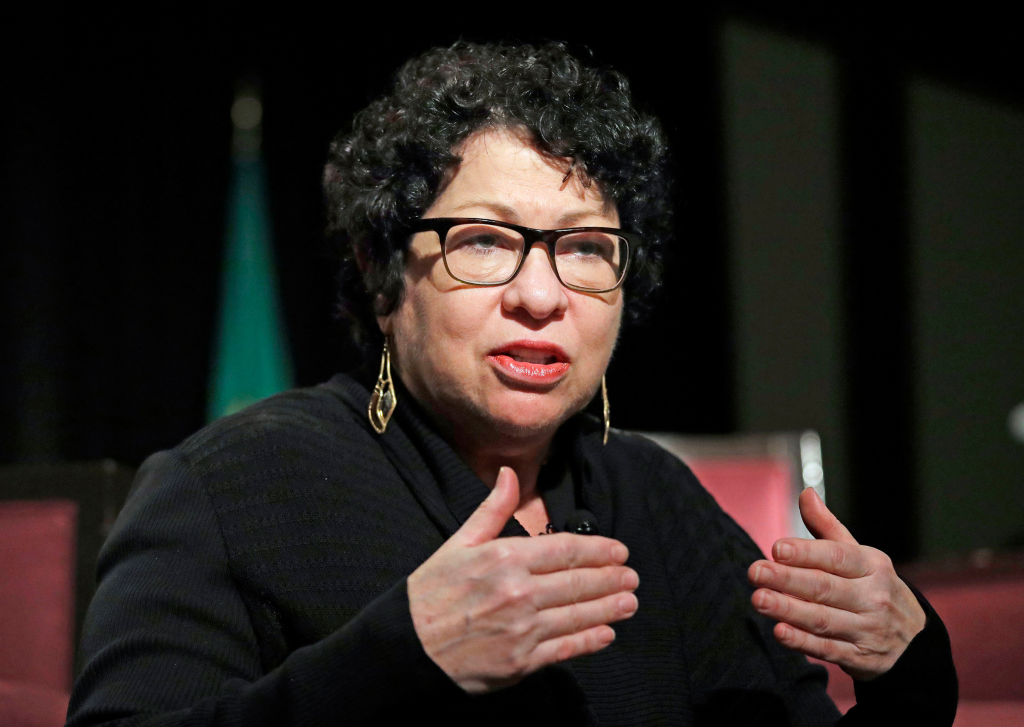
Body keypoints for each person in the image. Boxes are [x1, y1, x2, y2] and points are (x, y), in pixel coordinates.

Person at [66, 42, 957, 726]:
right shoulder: (231, 487)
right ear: (383, 272)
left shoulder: (658, 499)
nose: (541, 295)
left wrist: (909, 666)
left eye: (585, 248)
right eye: (486, 241)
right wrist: (400, 657)